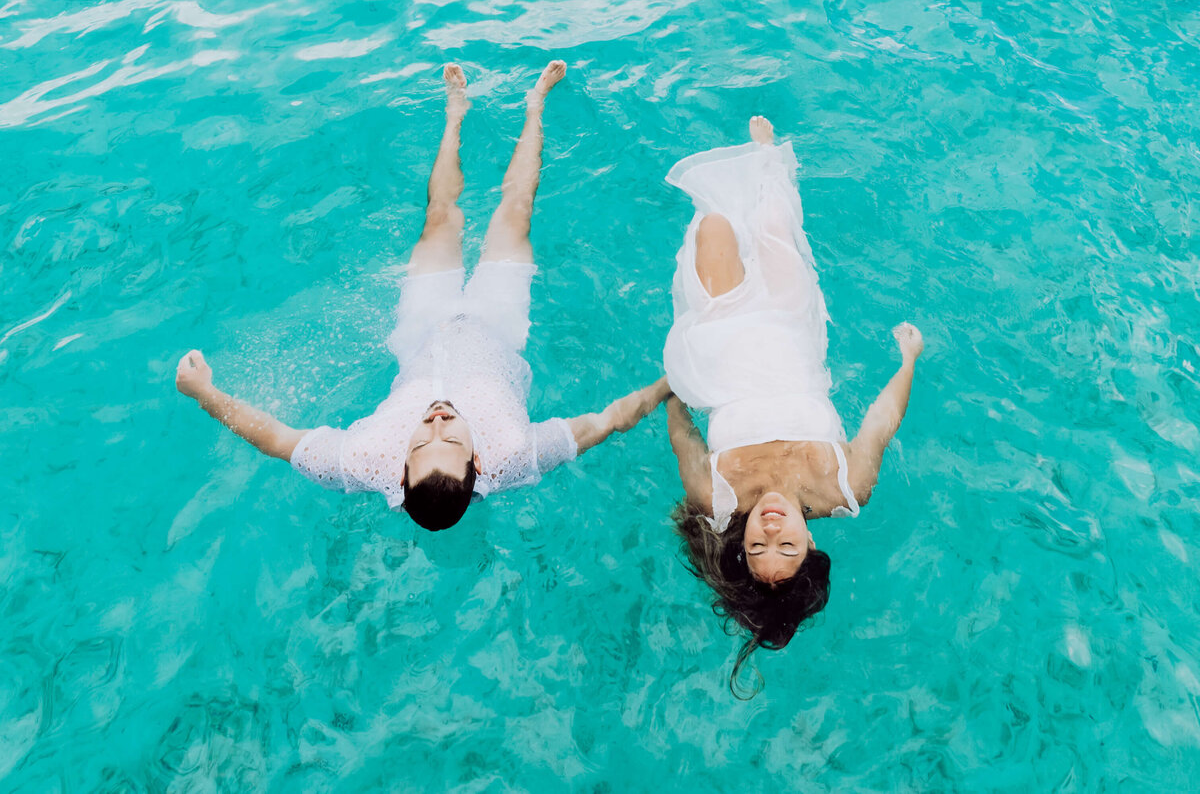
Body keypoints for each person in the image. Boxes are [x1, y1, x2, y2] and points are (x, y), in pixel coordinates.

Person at [176, 62, 667, 530]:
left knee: (438, 215)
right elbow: (608, 420)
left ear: (400, 472)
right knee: (515, 211)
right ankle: (535, 105)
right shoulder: (518, 453)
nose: (436, 420)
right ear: (478, 459)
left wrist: (206, 396)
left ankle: (455, 114)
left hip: (422, 325)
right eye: (449, 437)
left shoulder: (364, 461)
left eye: (419, 444)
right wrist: (673, 383)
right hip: (496, 323)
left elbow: (278, 440)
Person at [662, 115, 923, 690]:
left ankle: (745, 184)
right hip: (791, 335)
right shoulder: (845, 488)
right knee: (776, 220)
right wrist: (908, 362)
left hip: (724, 344)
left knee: (715, 228)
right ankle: (767, 157)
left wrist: (670, 390)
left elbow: (682, 434)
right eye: (786, 543)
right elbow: (881, 423)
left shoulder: (717, 497)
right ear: (811, 545)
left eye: (758, 544)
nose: (771, 527)